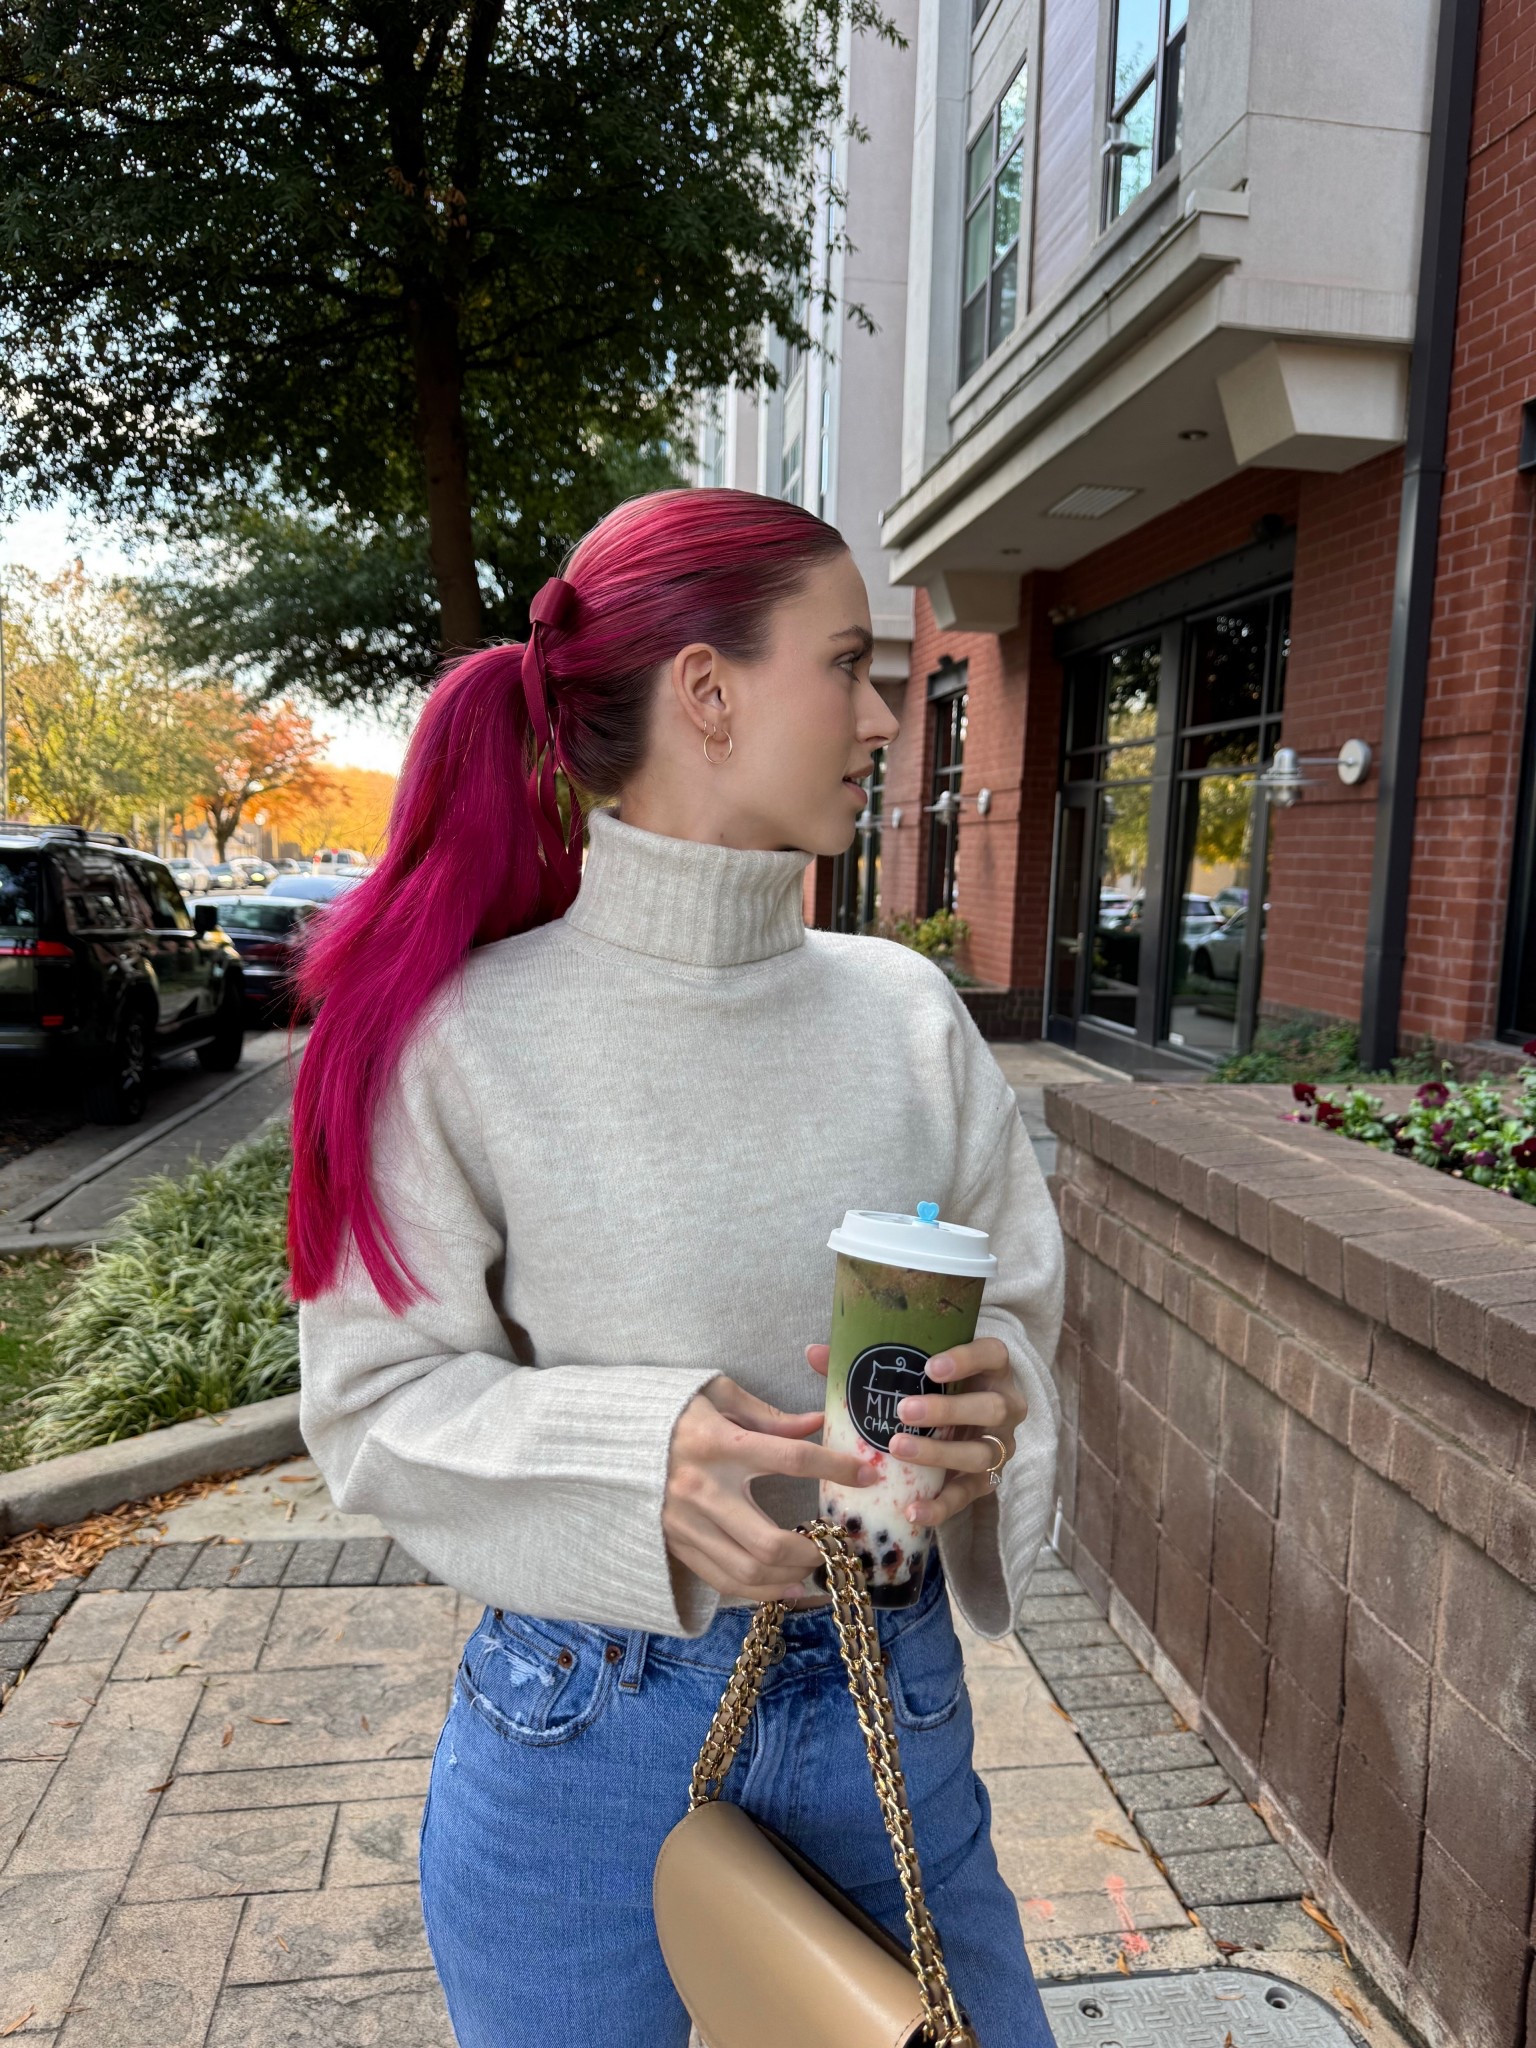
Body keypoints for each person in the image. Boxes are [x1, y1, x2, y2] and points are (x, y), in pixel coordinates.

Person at [288, 487, 1064, 2047]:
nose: (884, 709)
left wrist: (996, 1415)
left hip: (882, 1687)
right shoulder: (460, 1036)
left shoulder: (908, 1016)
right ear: (708, 692)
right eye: (847, 663)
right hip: (586, 1728)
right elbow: (369, 1403)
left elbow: (1026, 1314)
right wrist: (632, 1456)